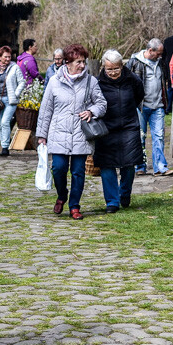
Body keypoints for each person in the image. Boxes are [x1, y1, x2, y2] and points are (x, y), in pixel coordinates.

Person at [37, 44, 106, 219]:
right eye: (78, 62)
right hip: (58, 132)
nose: (82, 65)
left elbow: (102, 104)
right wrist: (41, 135)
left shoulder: (91, 82)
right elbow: (46, 110)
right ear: (67, 62)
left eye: (84, 61)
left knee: (78, 171)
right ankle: (62, 195)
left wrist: (92, 111)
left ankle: (74, 206)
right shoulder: (54, 81)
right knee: (58, 169)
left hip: (81, 134)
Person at [94, 50, 144, 212]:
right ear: (103, 67)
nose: (113, 72)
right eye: (109, 69)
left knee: (128, 164)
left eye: (116, 68)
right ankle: (112, 202)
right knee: (107, 165)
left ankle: (124, 194)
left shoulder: (132, 80)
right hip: (106, 129)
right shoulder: (97, 83)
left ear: (122, 66)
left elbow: (139, 96)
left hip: (128, 127)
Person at [127, 38, 173, 176]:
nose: (160, 56)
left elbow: (165, 82)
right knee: (140, 137)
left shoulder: (161, 63)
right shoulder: (134, 62)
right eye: (158, 53)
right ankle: (140, 166)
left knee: (158, 136)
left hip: (157, 105)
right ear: (150, 50)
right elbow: (126, 82)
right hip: (140, 106)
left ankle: (160, 167)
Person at [0, 45, 25, 156]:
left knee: (5, 122)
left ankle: (5, 147)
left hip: (10, 100)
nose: (8, 59)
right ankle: (3, 144)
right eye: (5, 57)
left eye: (9, 57)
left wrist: (16, 94)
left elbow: (22, 82)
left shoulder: (14, 68)